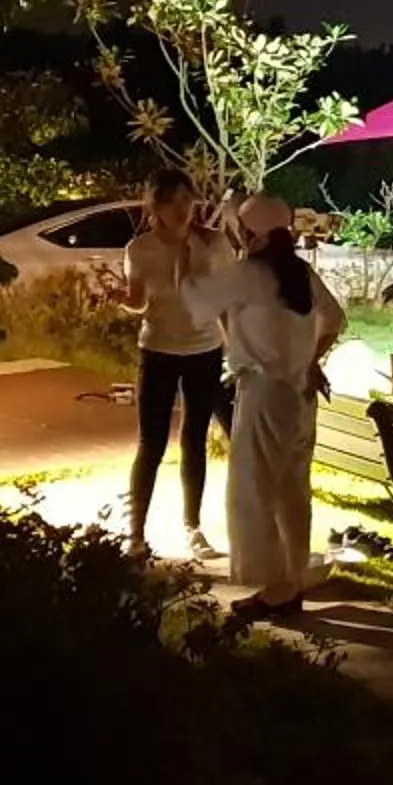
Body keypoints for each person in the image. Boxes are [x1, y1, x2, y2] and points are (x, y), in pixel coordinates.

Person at [180, 195, 344, 617]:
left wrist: (184, 251)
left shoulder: (249, 274)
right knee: (292, 492)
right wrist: (311, 361)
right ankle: (290, 583)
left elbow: (192, 299)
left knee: (254, 492)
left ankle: (275, 588)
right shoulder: (298, 272)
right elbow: (336, 318)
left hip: (264, 394)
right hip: (298, 397)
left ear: (250, 233)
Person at [119, 168, 232, 558]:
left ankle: (193, 528)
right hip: (159, 350)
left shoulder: (213, 243)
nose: (183, 208)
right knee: (151, 443)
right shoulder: (140, 249)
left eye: (188, 199)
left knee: (194, 439)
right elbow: (138, 302)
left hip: (204, 349)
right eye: (173, 201)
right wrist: (118, 296)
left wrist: (236, 346)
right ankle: (135, 533)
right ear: (157, 206)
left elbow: (227, 299)